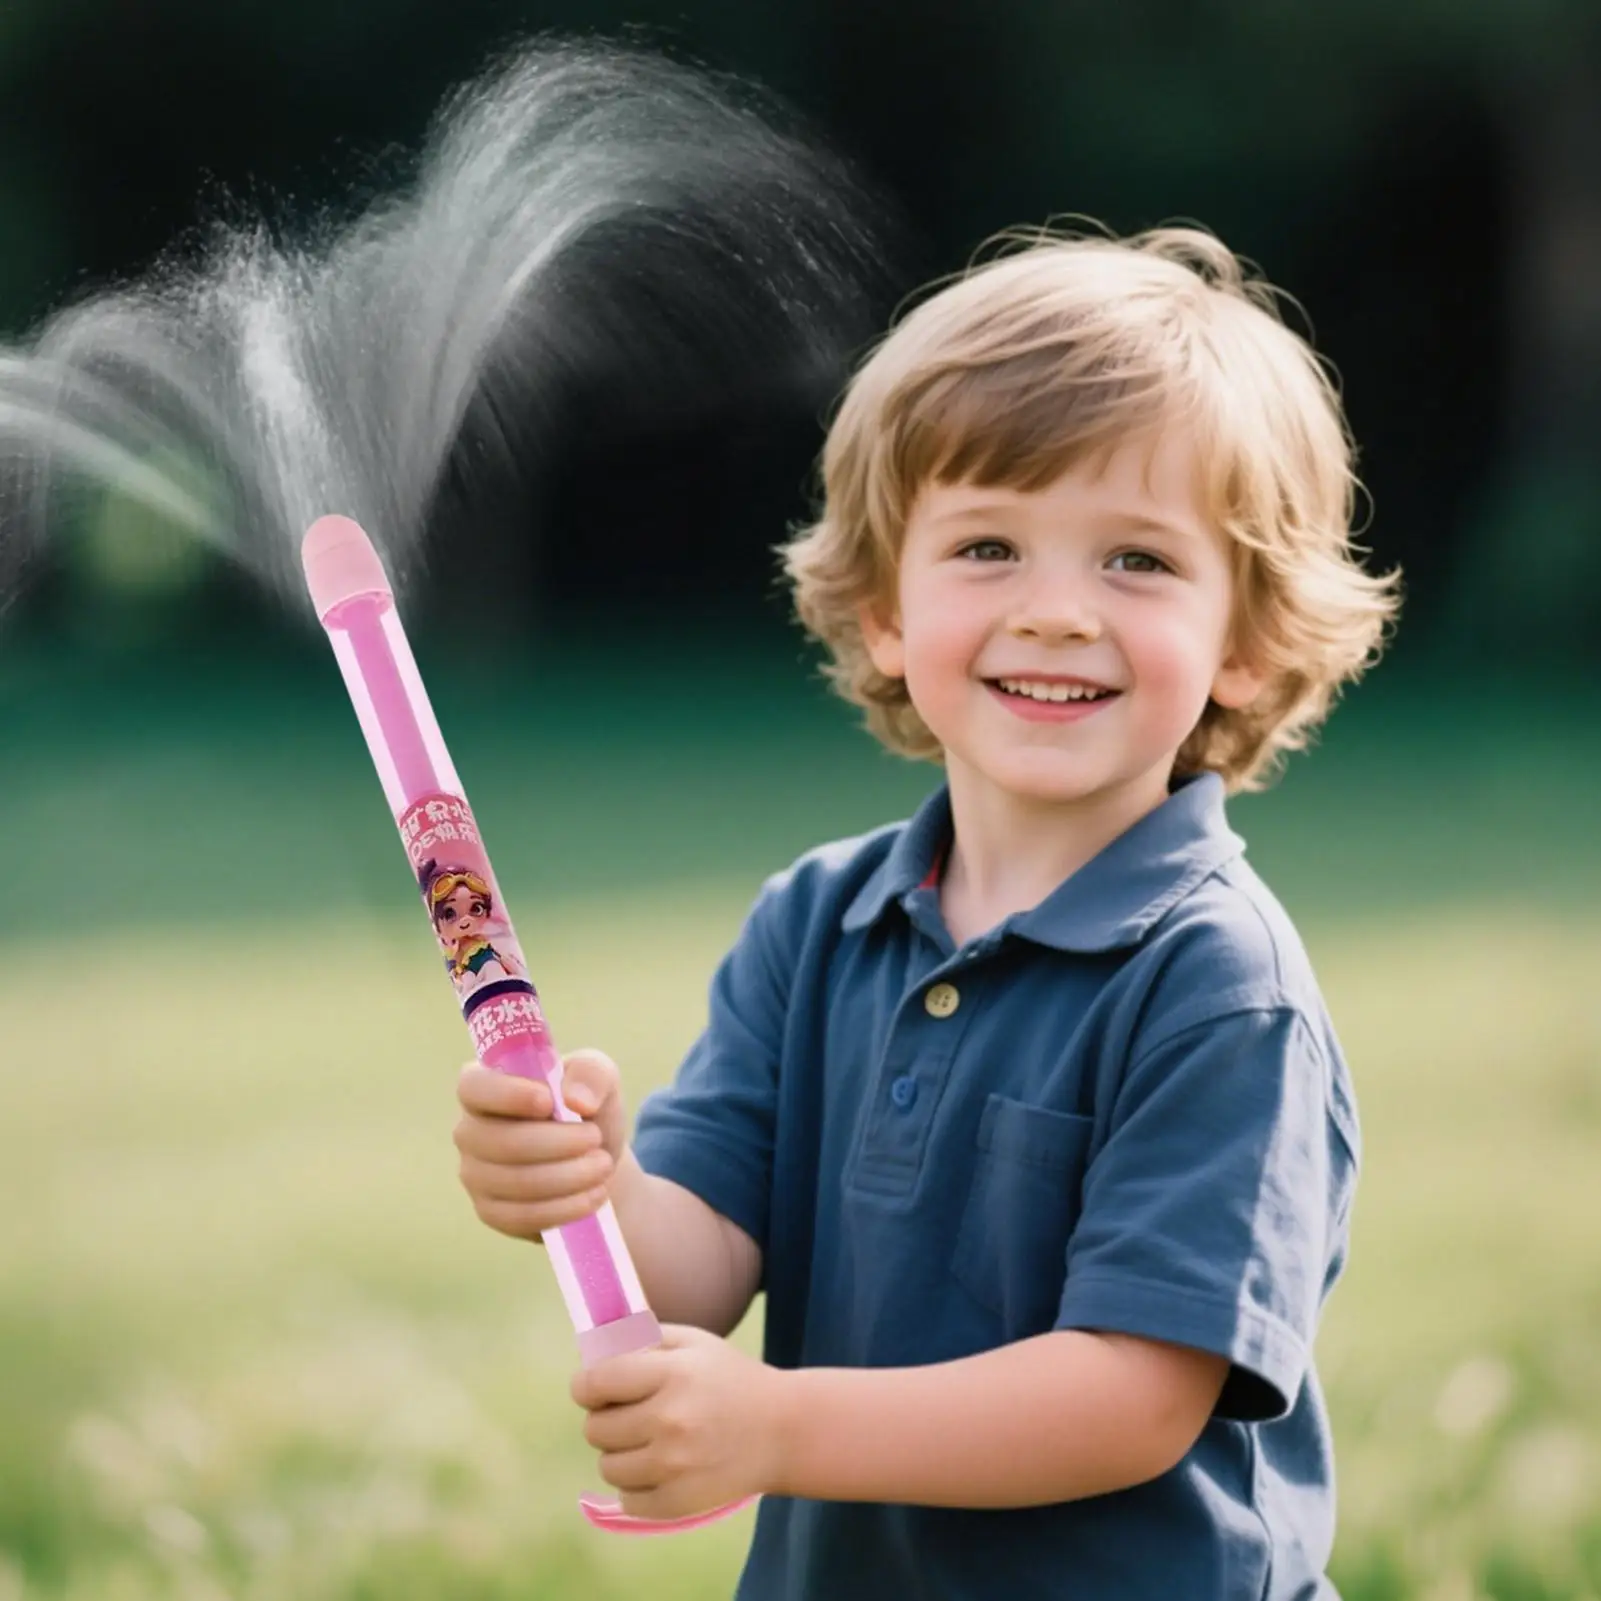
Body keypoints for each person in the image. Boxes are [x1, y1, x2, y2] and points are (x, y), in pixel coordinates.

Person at [453, 224, 1401, 1599]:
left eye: (1136, 560)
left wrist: (776, 1427)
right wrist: (585, 1189)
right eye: (989, 546)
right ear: (887, 609)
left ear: (1246, 644)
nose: (1059, 612)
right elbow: (693, 1275)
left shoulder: (1216, 982)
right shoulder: (817, 924)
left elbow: (1133, 1397)